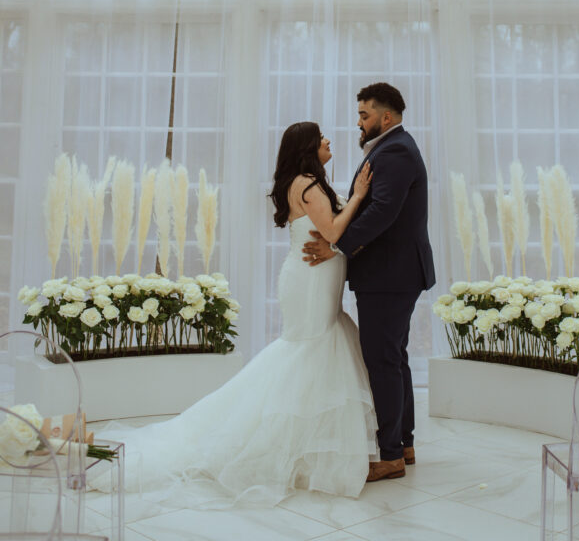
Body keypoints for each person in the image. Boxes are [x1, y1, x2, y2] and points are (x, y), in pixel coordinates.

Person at [93, 122, 377, 506]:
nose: (329, 140)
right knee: (306, 352)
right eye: (321, 136)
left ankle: (307, 448)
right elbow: (331, 232)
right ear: (309, 146)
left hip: (314, 278)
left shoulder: (309, 181)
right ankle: (275, 443)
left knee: (313, 350)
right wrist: (359, 196)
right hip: (310, 282)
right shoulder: (307, 184)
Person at [303, 82, 435, 483]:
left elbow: (382, 212)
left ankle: (391, 455)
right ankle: (404, 444)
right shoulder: (394, 146)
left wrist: (337, 246)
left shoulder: (394, 149)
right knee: (393, 357)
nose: (358, 122)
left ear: (387, 117)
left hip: (389, 275)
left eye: (364, 115)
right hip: (394, 273)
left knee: (381, 361)